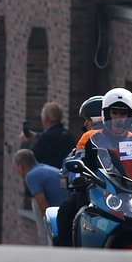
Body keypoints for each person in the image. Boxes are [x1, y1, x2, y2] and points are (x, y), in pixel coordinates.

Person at [53, 95, 104, 246]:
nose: (85, 124)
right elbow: (73, 162)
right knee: (66, 210)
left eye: (87, 120)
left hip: (121, 192)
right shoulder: (89, 138)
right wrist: (77, 177)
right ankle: (68, 254)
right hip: (94, 191)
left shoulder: (130, 139)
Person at [73, 88, 132, 183]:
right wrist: (79, 179)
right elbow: (78, 165)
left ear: (130, 116)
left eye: (123, 114)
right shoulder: (91, 137)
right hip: (99, 191)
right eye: (114, 113)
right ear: (106, 114)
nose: (118, 118)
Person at [13, 148, 69, 246]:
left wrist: (48, 226)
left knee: (35, 203)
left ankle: (47, 248)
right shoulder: (43, 168)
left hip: (59, 212)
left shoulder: (31, 176)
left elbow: (42, 204)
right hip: (66, 208)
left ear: (20, 166)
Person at [18, 101, 75, 168]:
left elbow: (28, 161)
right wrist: (36, 136)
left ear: (46, 118)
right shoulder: (68, 135)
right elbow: (55, 137)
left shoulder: (46, 138)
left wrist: (24, 143)